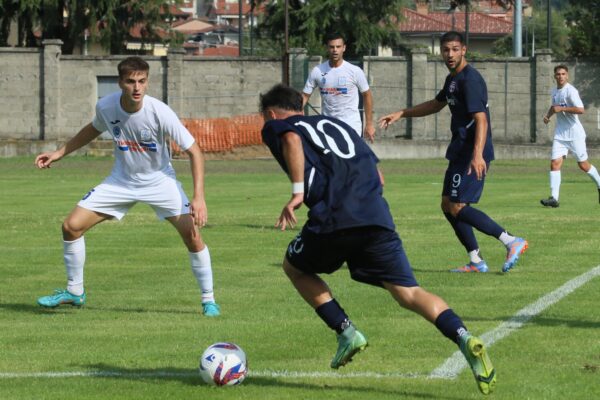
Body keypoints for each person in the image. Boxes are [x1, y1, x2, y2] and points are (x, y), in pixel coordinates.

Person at [260, 83, 496, 395]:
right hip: (376, 217)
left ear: (271, 113)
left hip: (334, 218)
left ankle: (345, 331)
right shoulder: (339, 126)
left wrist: (297, 193)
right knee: (409, 293)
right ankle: (464, 336)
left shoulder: (280, 125)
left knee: (295, 267)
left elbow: (289, 138)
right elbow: (379, 175)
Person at [34, 56, 220, 316]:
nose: (137, 87)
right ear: (120, 82)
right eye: (131, 81)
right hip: (120, 181)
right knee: (71, 227)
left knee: (192, 235)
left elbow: (195, 152)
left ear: (147, 82)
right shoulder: (107, 107)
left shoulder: (160, 111)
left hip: (160, 182)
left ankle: (208, 300)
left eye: (142, 81)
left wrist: (199, 197)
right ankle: (75, 292)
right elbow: (93, 129)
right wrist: (59, 153)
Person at [379, 31, 527, 273]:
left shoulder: (471, 81)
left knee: (457, 206)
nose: (450, 54)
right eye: (446, 49)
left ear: (464, 50)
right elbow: (436, 105)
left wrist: (478, 155)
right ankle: (476, 261)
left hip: (472, 152)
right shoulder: (453, 79)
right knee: (448, 204)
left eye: (455, 49)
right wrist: (402, 113)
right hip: (459, 149)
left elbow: (481, 121)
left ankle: (511, 241)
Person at [540, 65, 600, 207]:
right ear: (554, 76)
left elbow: (580, 109)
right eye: (558, 74)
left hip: (575, 134)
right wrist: (548, 116)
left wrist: (563, 108)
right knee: (554, 163)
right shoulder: (554, 90)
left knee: (583, 165)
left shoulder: (571, 91)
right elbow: (555, 106)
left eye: (563, 74)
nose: (560, 76)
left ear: (567, 76)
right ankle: (554, 199)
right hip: (560, 134)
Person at [302, 32, 375, 142]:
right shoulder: (317, 71)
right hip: (327, 125)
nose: (335, 50)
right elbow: (305, 96)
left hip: (351, 125)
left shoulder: (354, 71)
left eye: (338, 47)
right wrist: (297, 111)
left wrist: (369, 124)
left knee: (349, 158)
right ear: (327, 48)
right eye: (332, 47)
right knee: (330, 159)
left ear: (344, 48)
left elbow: (367, 95)